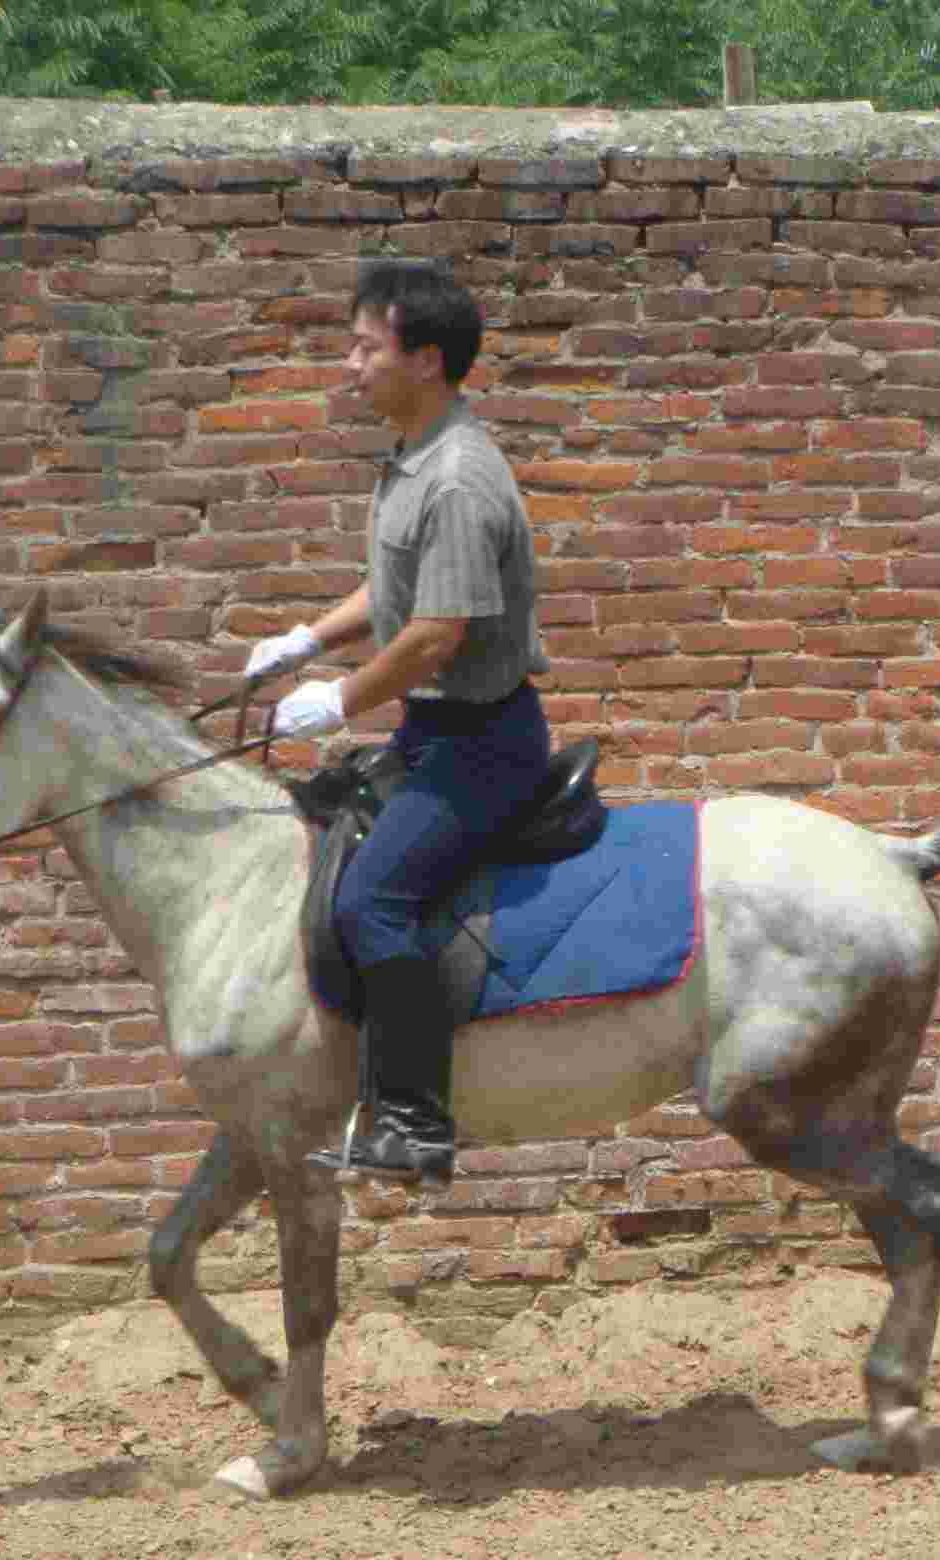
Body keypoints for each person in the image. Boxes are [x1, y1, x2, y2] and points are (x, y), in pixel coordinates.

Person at [247, 260, 551, 1187]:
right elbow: (394, 593)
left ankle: (415, 1124)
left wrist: (335, 701)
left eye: (365, 348)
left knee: (371, 901)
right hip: (433, 733)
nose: (350, 366)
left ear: (424, 359)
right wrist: (307, 638)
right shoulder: (417, 461)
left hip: (483, 747)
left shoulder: (457, 478)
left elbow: (434, 636)